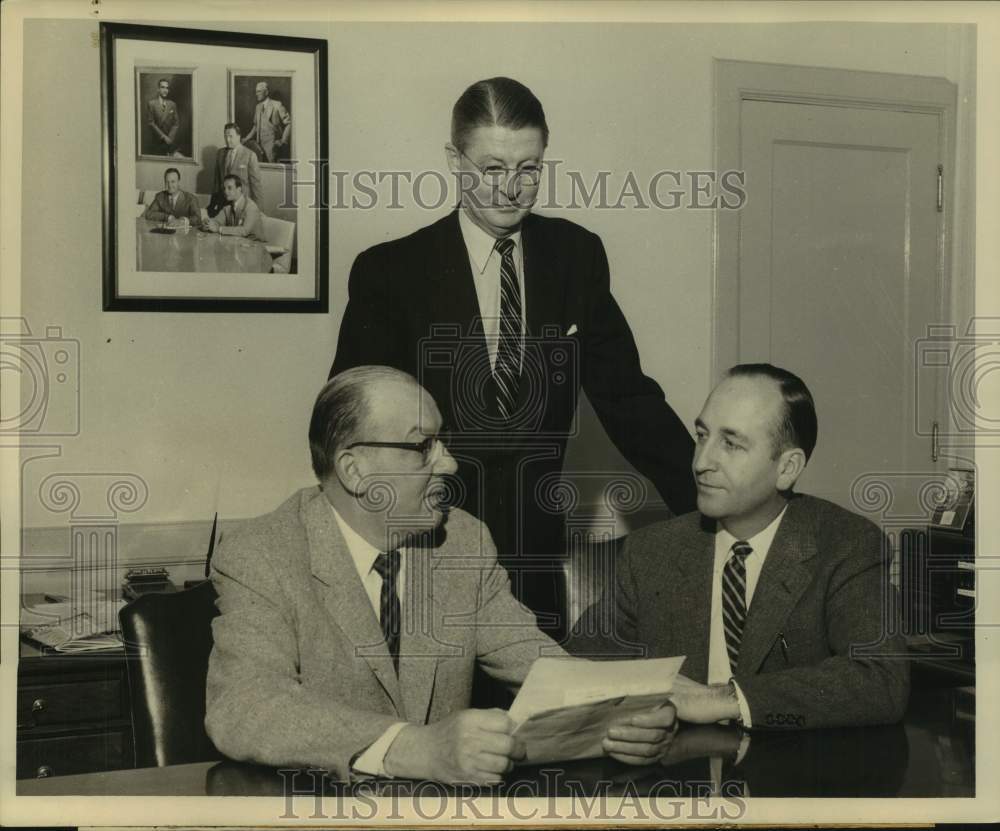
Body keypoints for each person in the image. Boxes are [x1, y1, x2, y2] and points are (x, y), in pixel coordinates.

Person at [331, 77, 696, 638]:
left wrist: (710, 506)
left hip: (535, 558)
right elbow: (345, 427)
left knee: (537, 719)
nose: (511, 190)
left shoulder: (576, 256)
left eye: (529, 169)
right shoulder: (390, 272)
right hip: (425, 549)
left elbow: (630, 399)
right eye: (492, 168)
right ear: (454, 160)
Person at [205, 367, 677, 783]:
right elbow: (245, 707)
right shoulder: (262, 553)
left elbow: (539, 665)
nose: (448, 463)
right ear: (355, 469)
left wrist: (621, 716)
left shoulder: (462, 541)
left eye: (442, 442)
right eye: (421, 447)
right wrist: (414, 748)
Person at [566, 364, 910, 730]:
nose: (701, 463)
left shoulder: (845, 545)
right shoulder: (650, 551)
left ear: (787, 468)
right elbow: (577, 669)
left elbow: (880, 679)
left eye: (731, 444)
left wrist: (724, 699)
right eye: (702, 436)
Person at [213, 122, 262, 206]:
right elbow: (216, 183)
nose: (227, 140)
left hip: (243, 204)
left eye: (231, 136)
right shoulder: (220, 153)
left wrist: (259, 212)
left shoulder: (250, 155)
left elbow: (256, 186)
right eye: (225, 136)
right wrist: (213, 204)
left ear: (239, 136)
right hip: (223, 204)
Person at [244, 81, 291, 163]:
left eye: (259, 91)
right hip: (259, 146)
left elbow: (289, 123)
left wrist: (283, 141)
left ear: (266, 92)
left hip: (273, 146)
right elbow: (255, 126)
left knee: (271, 170)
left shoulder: (277, 105)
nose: (256, 94)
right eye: (256, 91)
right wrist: (246, 139)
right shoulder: (258, 107)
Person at [204, 175, 262, 240]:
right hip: (238, 244)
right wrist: (208, 224)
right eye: (224, 188)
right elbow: (217, 221)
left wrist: (219, 229)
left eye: (229, 188)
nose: (225, 191)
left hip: (255, 246)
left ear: (239, 189)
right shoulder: (228, 206)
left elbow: (244, 231)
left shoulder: (251, 207)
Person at [145, 78, 180, 156]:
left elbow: (176, 123)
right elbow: (151, 123)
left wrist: (170, 138)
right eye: (162, 87)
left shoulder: (172, 104)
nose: (165, 90)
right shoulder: (151, 104)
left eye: (167, 88)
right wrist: (164, 137)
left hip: (170, 143)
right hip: (157, 142)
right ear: (158, 89)